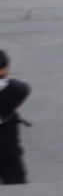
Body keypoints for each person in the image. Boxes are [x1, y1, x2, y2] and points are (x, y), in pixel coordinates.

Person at [0, 50, 29, 184]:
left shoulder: (14, 88)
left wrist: (8, 108)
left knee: (15, 181)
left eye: (3, 76)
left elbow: (24, 92)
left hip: (7, 144)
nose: (2, 81)